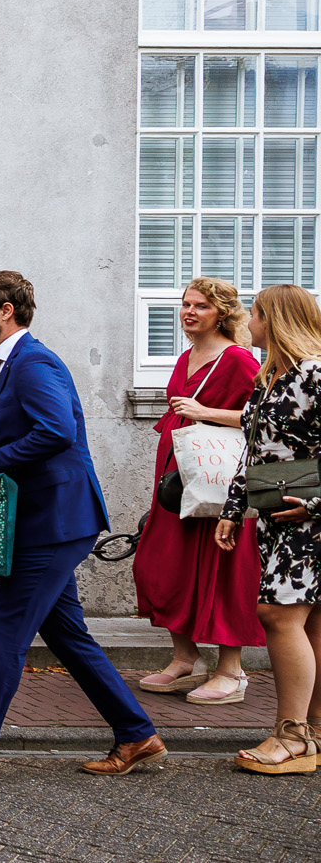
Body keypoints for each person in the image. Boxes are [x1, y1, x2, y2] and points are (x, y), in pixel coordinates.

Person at [0, 271, 163, 779]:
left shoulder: (34, 362)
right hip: (47, 518)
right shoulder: (4, 366)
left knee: (4, 631)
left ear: (6, 312)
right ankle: (136, 734)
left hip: (56, 521)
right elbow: (32, 429)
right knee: (66, 634)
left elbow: (58, 431)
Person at [134, 277, 264, 704]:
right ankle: (186, 658)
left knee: (222, 569)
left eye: (201, 306)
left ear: (222, 313)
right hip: (179, 478)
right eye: (186, 304)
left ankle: (232, 671)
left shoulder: (238, 358)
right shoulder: (187, 356)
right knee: (162, 565)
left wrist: (204, 411)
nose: (189, 312)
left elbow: (262, 418)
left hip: (219, 480)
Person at [214, 283, 321, 774]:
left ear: (273, 319)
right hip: (275, 516)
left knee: (277, 614)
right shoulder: (270, 377)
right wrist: (233, 508)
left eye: (253, 313)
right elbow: (254, 451)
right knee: (310, 622)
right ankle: (313, 733)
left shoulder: (314, 374)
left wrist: (315, 506)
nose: (247, 322)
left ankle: (291, 736)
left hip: (309, 522)